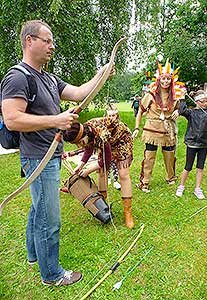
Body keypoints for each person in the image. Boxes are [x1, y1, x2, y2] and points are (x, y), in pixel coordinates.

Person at [1, 20, 114, 286]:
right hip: (38, 157)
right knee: (49, 219)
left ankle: (32, 255)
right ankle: (51, 274)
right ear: (30, 41)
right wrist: (55, 121)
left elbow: (79, 93)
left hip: (49, 156)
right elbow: (12, 119)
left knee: (38, 208)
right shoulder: (18, 76)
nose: (52, 46)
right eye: (47, 40)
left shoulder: (49, 77)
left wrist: (102, 73)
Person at [63, 115, 134, 229]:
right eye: (76, 144)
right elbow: (88, 147)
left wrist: (88, 170)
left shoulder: (100, 133)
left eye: (80, 142)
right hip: (106, 144)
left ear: (84, 134)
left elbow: (107, 159)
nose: (78, 146)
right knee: (101, 173)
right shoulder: (87, 132)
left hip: (121, 140)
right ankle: (103, 206)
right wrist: (81, 165)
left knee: (123, 174)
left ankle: (128, 212)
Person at [132, 58, 185, 193]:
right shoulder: (150, 95)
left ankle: (170, 177)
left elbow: (180, 107)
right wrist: (137, 128)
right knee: (149, 156)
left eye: (168, 79)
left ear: (172, 80)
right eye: (163, 79)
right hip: (152, 130)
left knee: (169, 155)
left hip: (168, 130)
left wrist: (178, 111)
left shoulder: (175, 96)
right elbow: (140, 111)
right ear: (159, 80)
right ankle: (145, 182)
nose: (166, 81)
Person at [175, 86, 207, 199]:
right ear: (196, 101)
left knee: (200, 167)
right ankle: (181, 187)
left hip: (203, 145)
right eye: (202, 101)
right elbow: (182, 111)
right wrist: (182, 97)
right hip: (192, 144)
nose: (205, 104)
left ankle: (197, 189)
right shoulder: (191, 113)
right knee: (188, 167)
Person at [105, 105, 121, 190]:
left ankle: (115, 180)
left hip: (116, 148)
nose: (111, 118)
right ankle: (107, 178)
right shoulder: (104, 124)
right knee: (107, 163)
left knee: (115, 164)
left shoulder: (119, 125)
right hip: (107, 147)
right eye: (109, 116)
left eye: (113, 116)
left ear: (117, 116)